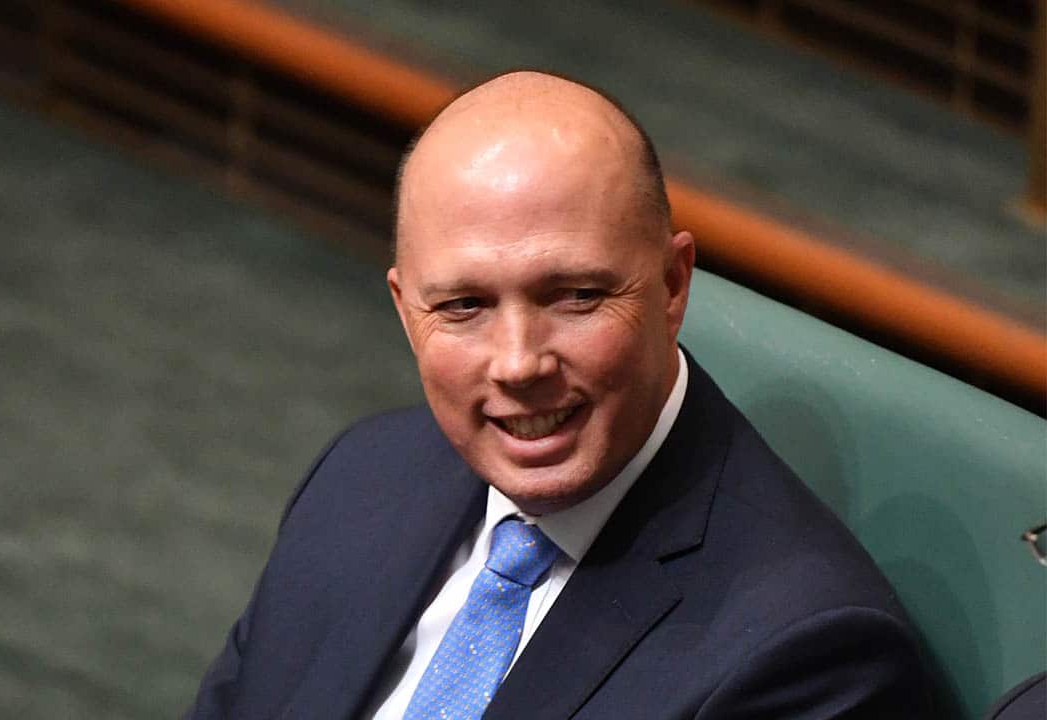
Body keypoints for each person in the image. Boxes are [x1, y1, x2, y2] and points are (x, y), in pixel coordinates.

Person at [187, 70, 934, 719]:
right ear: (404, 309)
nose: (518, 363)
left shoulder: (807, 652)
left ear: (673, 286)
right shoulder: (360, 476)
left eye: (574, 296)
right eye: (462, 307)